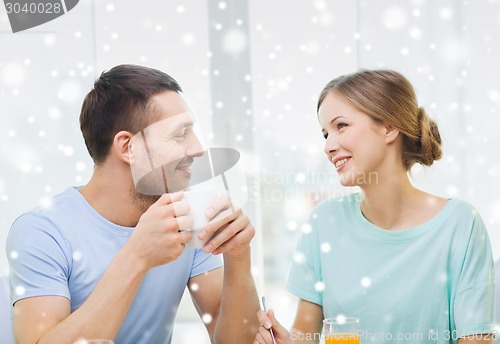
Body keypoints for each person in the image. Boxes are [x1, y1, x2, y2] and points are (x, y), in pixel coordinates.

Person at [7, 64, 260, 344]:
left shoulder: (188, 218)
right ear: (128, 147)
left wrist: (238, 258)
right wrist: (137, 256)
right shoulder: (42, 231)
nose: (198, 148)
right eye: (181, 134)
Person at [254, 69, 496, 343]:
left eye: (341, 126)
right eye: (325, 134)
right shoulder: (324, 222)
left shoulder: (460, 225)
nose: (329, 146)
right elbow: (305, 336)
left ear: (389, 127)